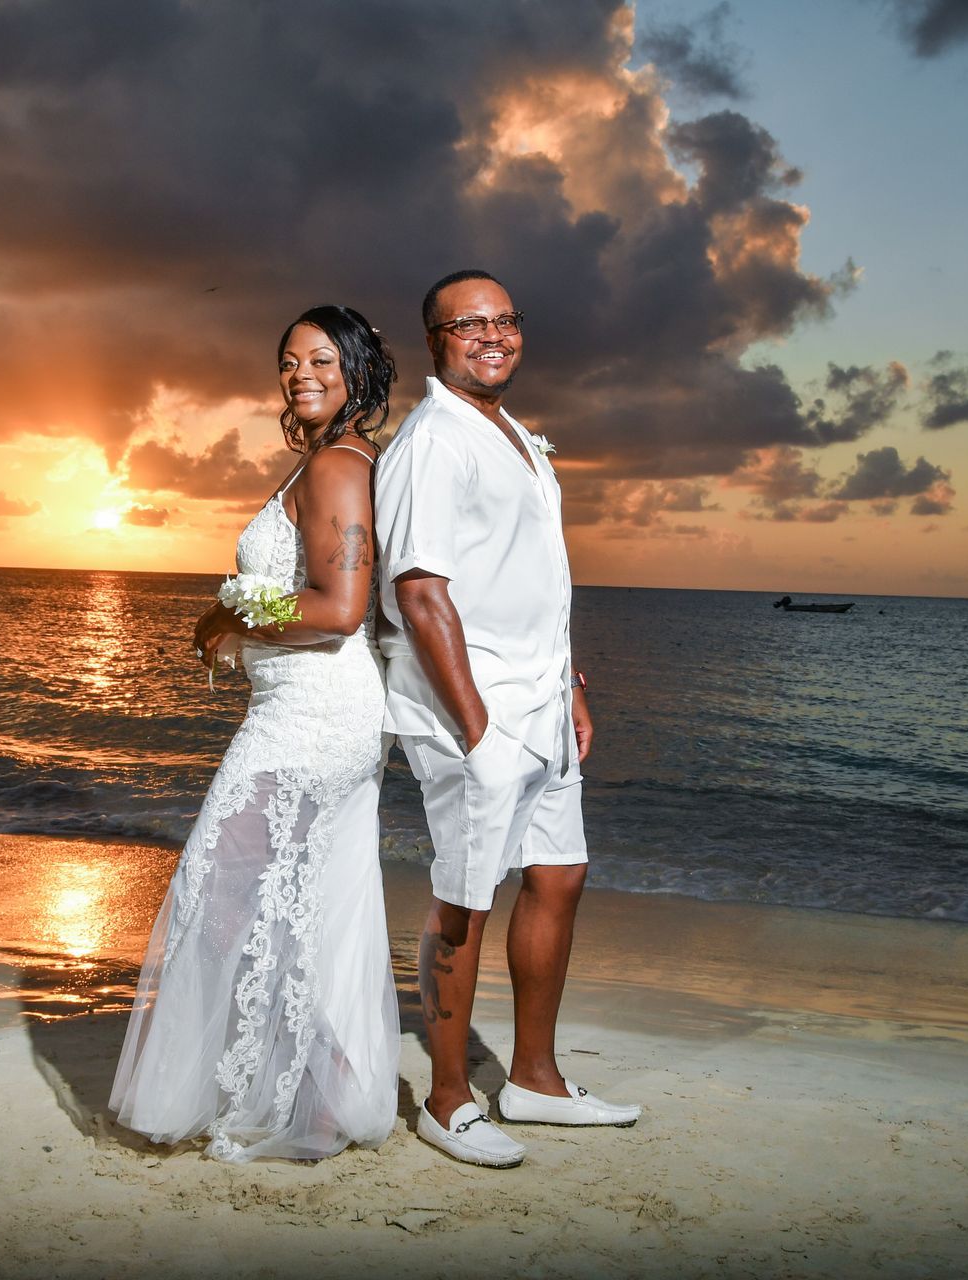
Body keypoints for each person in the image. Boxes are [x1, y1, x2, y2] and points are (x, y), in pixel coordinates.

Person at [109, 305, 399, 1162]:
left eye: (321, 358)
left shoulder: (341, 466)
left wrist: (223, 620)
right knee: (285, 903)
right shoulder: (319, 464)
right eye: (288, 360)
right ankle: (319, 1092)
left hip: (317, 714)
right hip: (298, 710)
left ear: (357, 372)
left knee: (222, 894)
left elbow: (341, 609)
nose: (299, 372)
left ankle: (307, 1088)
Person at [373, 270, 640, 1169]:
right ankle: (448, 1101)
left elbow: (534, 580)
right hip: (469, 709)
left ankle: (534, 1081)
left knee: (559, 877)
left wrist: (567, 685)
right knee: (465, 899)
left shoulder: (518, 436)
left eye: (507, 320)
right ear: (436, 339)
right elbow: (420, 590)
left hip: (540, 700)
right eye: (470, 322)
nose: (493, 334)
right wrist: (478, 727)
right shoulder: (432, 442)